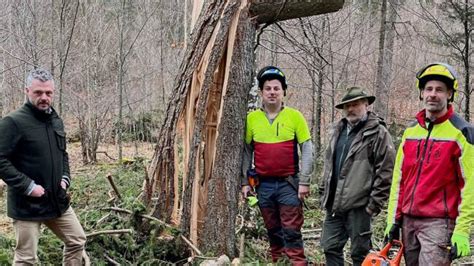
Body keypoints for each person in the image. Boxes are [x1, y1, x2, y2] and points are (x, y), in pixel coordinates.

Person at [384, 63, 474, 265]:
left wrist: (462, 230)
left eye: (440, 90)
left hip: (439, 223)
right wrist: (393, 219)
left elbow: (470, 186)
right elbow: (399, 180)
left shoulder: (462, 133)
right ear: (422, 93)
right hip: (408, 221)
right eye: (429, 89)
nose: (433, 94)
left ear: (450, 94)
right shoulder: (410, 132)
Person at [0, 68, 87, 265]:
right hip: (26, 205)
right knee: (26, 259)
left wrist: (65, 178)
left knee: (77, 241)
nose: (44, 97)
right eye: (38, 92)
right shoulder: (13, 122)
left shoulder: (55, 120)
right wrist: (29, 186)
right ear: (27, 91)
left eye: (48, 93)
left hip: (56, 199)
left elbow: (63, 153)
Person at [241, 66, 313, 265]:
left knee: (291, 231)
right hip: (263, 186)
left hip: (288, 184)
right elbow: (247, 152)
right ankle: (279, 262)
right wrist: (245, 183)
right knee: (273, 231)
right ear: (261, 92)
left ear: (283, 92)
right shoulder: (252, 119)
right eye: (268, 88)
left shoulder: (295, 116)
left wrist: (305, 181)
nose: (272, 92)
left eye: (276, 88)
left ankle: (298, 263)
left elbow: (307, 149)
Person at [319, 86, 395, 266]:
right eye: (348, 106)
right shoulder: (338, 130)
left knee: (360, 255)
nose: (351, 109)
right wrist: (323, 191)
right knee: (330, 247)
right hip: (334, 205)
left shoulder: (378, 133)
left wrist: (373, 204)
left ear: (366, 104)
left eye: (355, 104)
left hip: (360, 206)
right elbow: (329, 164)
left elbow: (386, 171)